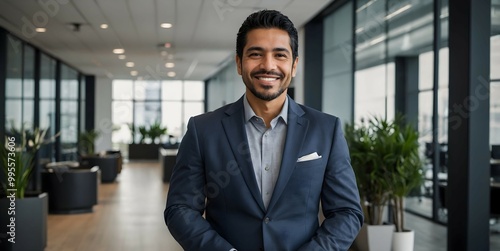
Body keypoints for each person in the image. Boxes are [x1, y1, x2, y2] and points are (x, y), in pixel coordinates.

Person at [165, 9, 363, 251]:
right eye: (256, 54)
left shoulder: (326, 129)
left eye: (280, 55)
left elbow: (347, 212)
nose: (268, 65)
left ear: (294, 65)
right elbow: (180, 209)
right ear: (239, 63)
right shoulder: (203, 129)